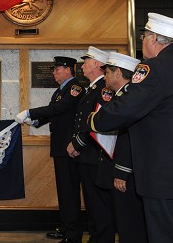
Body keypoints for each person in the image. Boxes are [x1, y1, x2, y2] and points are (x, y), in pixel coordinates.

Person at [89, 13, 173, 243]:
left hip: (162, 176)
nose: (143, 41)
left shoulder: (155, 68)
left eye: (144, 36)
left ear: (154, 38)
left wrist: (95, 120)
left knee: (163, 234)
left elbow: (126, 109)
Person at [16, 57, 84, 243]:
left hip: (69, 147)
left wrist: (30, 113)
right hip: (60, 146)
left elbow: (59, 107)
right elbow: (55, 112)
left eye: (57, 69)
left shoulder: (75, 88)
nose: (54, 72)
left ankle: (73, 234)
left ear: (68, 70)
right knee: (63, 190)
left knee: (69, 191)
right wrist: (36, 121)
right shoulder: (61, 90)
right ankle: (66, 227)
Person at [67, 46, 115, 243]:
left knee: (99, 204)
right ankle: (96, 237)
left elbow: (99, 123)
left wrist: (77, 143)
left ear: (96, 64)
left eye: (86, 62)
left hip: (96, 155)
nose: (83, 66)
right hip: (88, 156)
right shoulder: (92, 89)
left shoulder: (103, 90)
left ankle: (102, 238)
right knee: (92, 203)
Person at [98, 52, 148, 243]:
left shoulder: (128, 97)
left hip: (128, 170)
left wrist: (122, 171)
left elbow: (128, 136)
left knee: (130, 221)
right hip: (122, 167)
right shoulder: (121, 96)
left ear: (118, 73)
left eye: (108, 72)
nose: (105, 77)